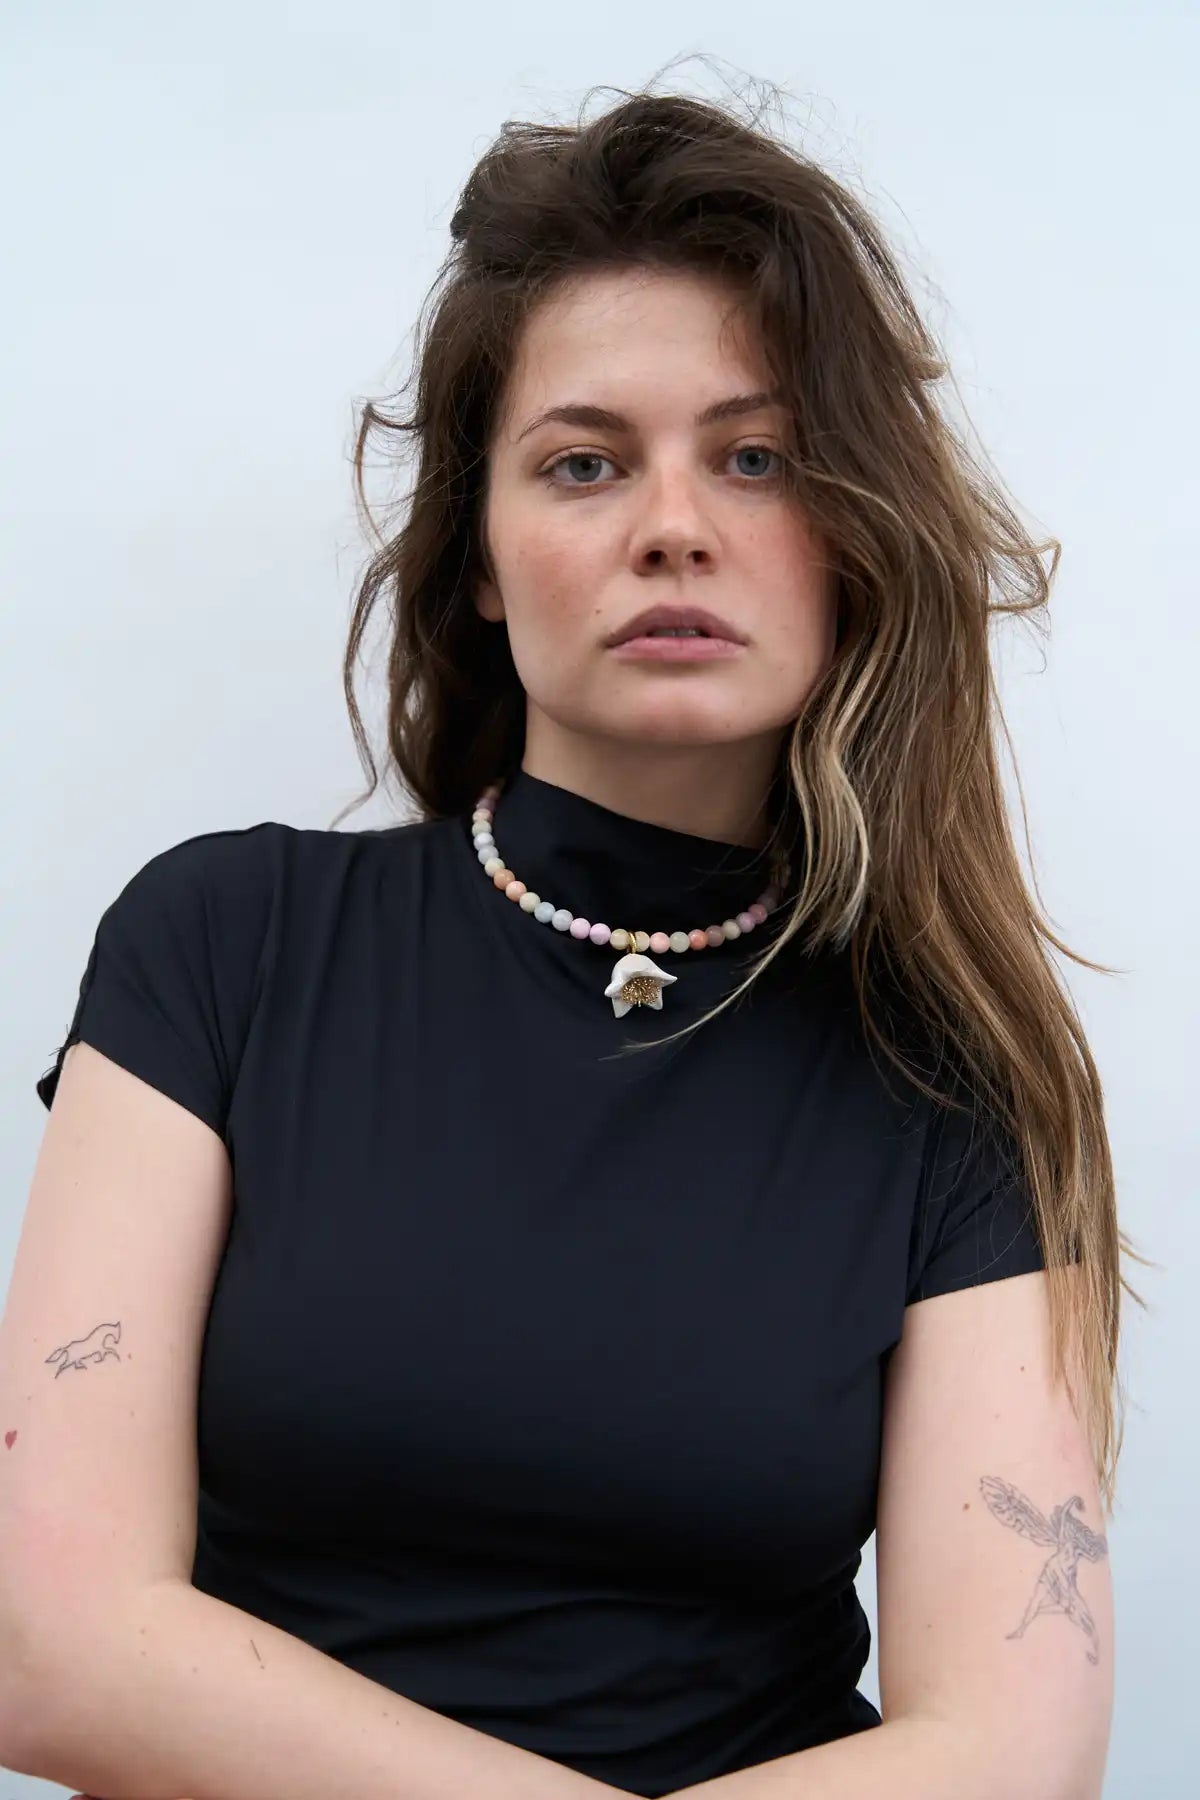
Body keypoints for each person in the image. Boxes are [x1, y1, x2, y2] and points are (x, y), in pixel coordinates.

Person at [2, 78, 1140, 1800]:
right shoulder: (224, 948)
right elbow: (50, 1645)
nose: (673, 525)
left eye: (755, 458)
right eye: (584, 462)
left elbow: (1010, 1754)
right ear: (478, 552)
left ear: (851, 539)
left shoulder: (949, 1085)